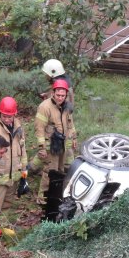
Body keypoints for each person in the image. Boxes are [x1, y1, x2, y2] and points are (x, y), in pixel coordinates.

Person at [31, 77, 77, 205]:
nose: (60, 98)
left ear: (66, 94)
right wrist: (42, 147)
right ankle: (43, 198)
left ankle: (56, 194)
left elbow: (70, 123)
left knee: (61, 170)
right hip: (51, 144)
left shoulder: (67, 106)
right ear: (53, 92)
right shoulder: (44, 107)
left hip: (63, 144)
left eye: (63, 95)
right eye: (58, 95)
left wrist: (74, 137)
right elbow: (39, 129)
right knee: (49, 171)